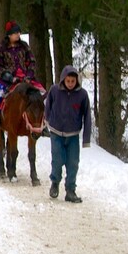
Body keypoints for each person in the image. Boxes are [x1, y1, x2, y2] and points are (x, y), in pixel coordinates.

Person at [45, 66, 92, 203]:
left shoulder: (82, 95)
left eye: (73, 81)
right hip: (56, 132)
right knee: (57, 160)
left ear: (77, 80)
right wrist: (48, 121)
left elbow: (87, 116)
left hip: (73, 135)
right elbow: (48, 105)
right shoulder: (55, 90)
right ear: (63, 80)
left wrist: (86, 138)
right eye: (68, 81)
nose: (70, 84)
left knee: (73, 163)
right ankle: (55, 183)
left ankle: (70, 190)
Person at [0, 21, 41, 132]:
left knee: (41, 95)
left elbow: (32, 61)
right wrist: (9, 77)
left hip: (26, 78)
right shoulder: (0, 47)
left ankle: (42, 123)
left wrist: (29, 75)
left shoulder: (24, 46)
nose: (18, 35)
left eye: (19, 32)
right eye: (15, 33)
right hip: (6, 79)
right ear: (9, 34)